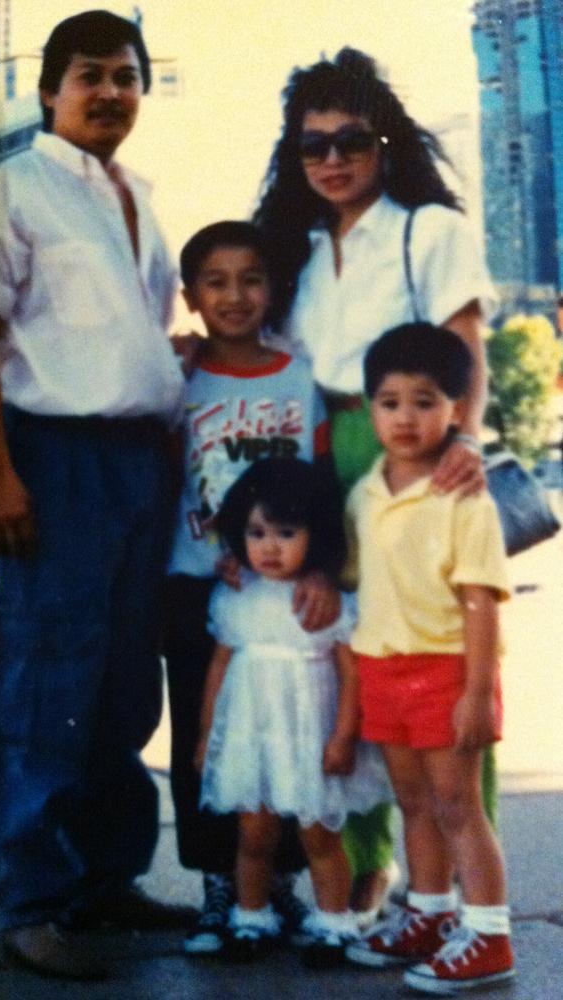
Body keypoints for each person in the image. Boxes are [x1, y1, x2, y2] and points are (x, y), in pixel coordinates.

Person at [0, 10, 194, 982]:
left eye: (126, 76)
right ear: (49, 89)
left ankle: (105, 881)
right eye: (90, 75)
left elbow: (129, 335)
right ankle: (32, 899)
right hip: (53, 457)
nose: (111, 92)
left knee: (125, 681)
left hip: (142, 460)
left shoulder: (139, 197)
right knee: (49, 677)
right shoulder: (2, 191)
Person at [253, 46, 497, 923]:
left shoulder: (429, 230)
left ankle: (474, 887)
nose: (332, 158)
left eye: (350, 139)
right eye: (312, 144)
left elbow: (465, 342)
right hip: (323, 452)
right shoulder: (297, 250)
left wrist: (462, 437)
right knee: (351, 662)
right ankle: (378, 868)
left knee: (434, 661)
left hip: (410, 448)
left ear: (384, 141)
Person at [164, 221, 343, 956]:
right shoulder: (176, 380)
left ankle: (278, 888)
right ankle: (218, 886)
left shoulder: (299, 378)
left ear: (273, 289)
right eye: (215, 281)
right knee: (205, 742)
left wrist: (325, 570)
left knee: (292, 737)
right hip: (196, 585)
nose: (235, 296)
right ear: (191, 295)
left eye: (251, 279)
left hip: (287, 599)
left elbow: (327, 489)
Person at [344, 323, 514, 994]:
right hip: (383, 670)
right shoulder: (366, 491)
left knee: (457, 805)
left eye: (425, 400)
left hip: (445, 672)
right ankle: (430, 913)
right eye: (390, 402)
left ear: (456, 407)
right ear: (369, 409)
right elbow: (355, 577)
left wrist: (476, 692)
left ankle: (490, 933)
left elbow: (481, 603)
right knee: (412, 801)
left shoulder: (464, 497)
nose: (407, 417)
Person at [195, 457, 392, 967]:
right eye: (257, 532)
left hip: (311, 734)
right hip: (251, 737)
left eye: (286, 532)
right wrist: (206, 737)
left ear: (316, 533)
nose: (270, 546)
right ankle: (252, 916)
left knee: (319, 836)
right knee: (253, 836)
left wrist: (344, 736)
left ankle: (333, 924)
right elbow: (219, 667)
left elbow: (351, 673)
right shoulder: (234, 599)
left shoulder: (328, 604)